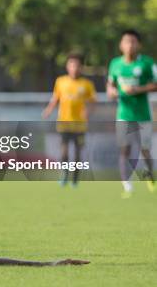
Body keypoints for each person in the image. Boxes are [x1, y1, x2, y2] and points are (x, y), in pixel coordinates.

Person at [106, 30, 157, 198]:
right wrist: (111, 92)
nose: (130, 45)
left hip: (143, 114)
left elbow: (155, 84)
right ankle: (126, 185)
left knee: (145, 150)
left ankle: (150, 177)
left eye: (133, 42)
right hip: (124, 114)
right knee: (124, 150)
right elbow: (110, 85)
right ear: (121, 45)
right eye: (126, 42)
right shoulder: (115, 64)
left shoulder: (147, 63)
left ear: (139, 45)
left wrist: (137, 89)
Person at [42, 54, 96, 187]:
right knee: (64, 151)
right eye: (72, 65)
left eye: (77, 65)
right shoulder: (61, 81)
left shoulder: (87, 84)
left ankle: (75, 179)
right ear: (67, 66)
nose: (74, 68)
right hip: (64, 123)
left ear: (81, 67)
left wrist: (87, 112)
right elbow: (55, 98)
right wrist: (48, 110)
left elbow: (93, 102)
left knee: (78, 153)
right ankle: (64, 174)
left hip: (79, 125)